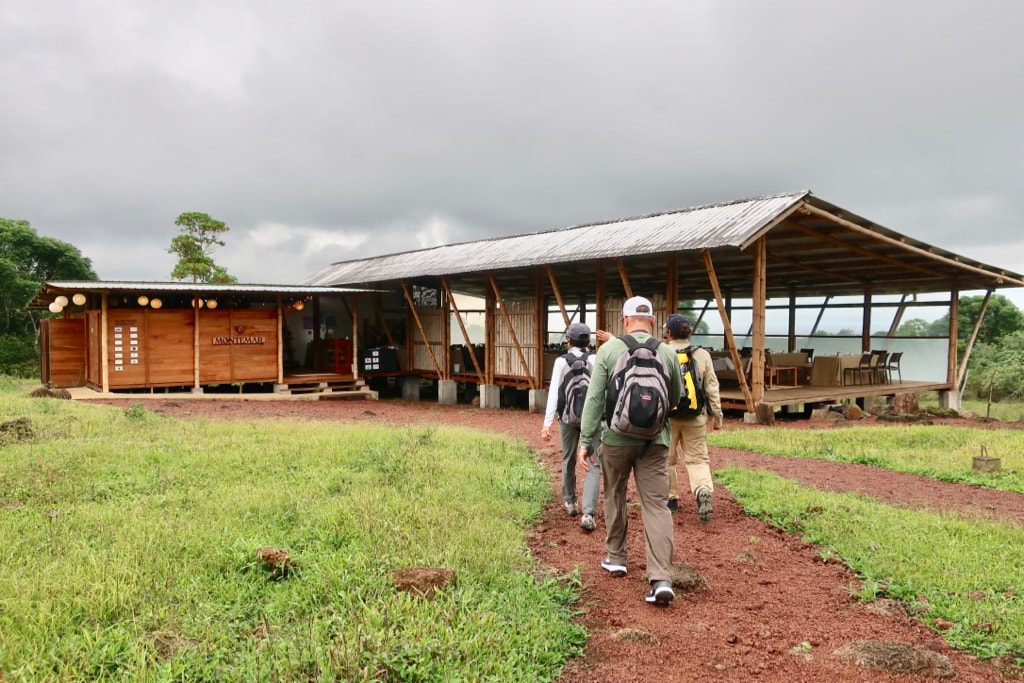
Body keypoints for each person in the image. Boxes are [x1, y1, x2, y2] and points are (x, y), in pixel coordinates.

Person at [578, 296, 683, 606]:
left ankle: (616, 557)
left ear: (624, 321)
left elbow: (595, 400)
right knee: (656, 505)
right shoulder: (666, 352)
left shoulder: (608, 350)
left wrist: (586, 441)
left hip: (616, 438)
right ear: (652, 321)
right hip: (655, 441)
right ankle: (661, 577)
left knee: (615, 494)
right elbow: (674, 397)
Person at [541, 323, 602, 532]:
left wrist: (547, 422)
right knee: (593, 464)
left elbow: (554, 393)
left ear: (569, 340)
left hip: (567, 418)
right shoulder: (595, 359)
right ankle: (589, 513)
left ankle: (570, 501)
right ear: (588, 342)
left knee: (568, 458)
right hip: (591, 420)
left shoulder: (560, 361)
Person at [663, 313, 723, 522]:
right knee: (697, 459)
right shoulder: (702, 354)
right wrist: (717, 415)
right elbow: (711, 386)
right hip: (696, 417)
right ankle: (702, 490)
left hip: (668, 418)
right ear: (689, 333)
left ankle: (671, 500)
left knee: (667, 460)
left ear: (668, 333)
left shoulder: (661, 353)